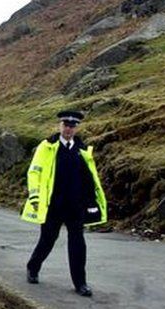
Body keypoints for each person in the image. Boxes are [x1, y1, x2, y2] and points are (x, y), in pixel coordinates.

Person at [21, 110, 107, 297]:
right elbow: (34, 172)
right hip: (54, 205)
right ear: (60, 126)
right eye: (66, 125)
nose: (69, 129)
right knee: (48, 240)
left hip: (75, 206)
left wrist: (92, 201)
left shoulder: (82, 150)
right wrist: (34, 195)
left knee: (78, 243)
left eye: (72, 126)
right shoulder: (47, 147)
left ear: (76, 128)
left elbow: (89, 178)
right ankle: (33, 267)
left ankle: (80, 283)